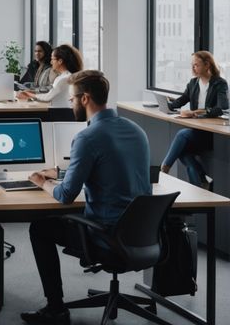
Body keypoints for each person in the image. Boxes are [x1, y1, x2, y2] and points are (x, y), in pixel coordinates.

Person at [21, 70, 151, 325]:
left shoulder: (87, 137)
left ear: (85, 99)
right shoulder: (136, 130)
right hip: (142, 232)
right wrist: (62, 171)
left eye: (71, 99)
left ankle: (56, 310)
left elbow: (66, 195)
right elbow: (111, 165)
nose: (69, 104)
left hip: (107, 235)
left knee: (40, 227)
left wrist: (43, 181)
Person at [160, 51, 228, 187]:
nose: (193, 68)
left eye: (196, 65)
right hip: (197, 130)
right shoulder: (193, 83)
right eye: (192, 65)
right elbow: (182, 100)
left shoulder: (219, 83)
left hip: (212, 134)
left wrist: (196, 113)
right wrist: (166, 105)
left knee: (182, 136)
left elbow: (222, 107)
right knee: (182, 151)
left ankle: (165, 167)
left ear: (207, 64)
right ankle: (201, 182)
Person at [17, 44, 82, 107]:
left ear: (60, 61)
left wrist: (29, 94)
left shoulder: (64, 78)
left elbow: (48, 97)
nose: (51, 62)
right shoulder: (63, 76)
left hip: (61, 113)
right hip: (60, 111)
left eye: (52, 59)